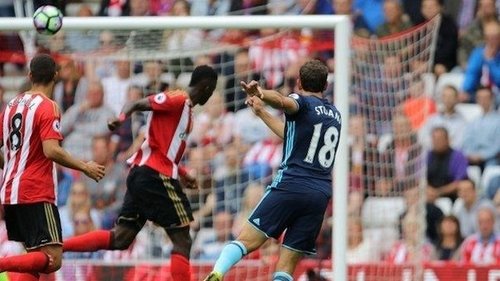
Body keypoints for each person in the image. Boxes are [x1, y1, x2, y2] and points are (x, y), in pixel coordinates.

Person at [62, 65, 218, 281]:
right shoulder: (177, 99)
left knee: (121, 238)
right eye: (212, 90)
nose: (211, 95)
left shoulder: (187, 111)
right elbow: (136, 103)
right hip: (155, 175)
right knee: (183, 239)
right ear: (207, 86)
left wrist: (181, 172)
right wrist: (120, 117)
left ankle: (60, 246)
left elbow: (162, 147)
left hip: (143, 174)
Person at [204, 59, 342, 281]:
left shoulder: (301, 101)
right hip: (319, 194)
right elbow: (292, 136)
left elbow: (283, 101)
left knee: (248, 240)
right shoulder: (335, 115)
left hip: (292, 183)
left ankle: (217, 272)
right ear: (325, 86)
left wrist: (260, 93)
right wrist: (262, 113)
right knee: (286, 265)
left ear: (298, 82)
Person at [0, 54, 105, 281]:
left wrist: (7, 165)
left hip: (10, 190)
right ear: (56, 76)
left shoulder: (11, 105)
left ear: (30, 76)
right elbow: (51, 150)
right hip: (36, 191)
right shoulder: (48, 107)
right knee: (52, 259)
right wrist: (84, 167)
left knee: (33, 255)